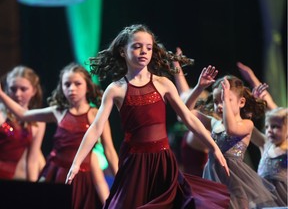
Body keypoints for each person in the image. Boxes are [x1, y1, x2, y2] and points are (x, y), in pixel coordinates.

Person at [66, 24, 231, 209]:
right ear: (123, 51)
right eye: (137, 46)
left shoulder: (163, 84)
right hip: (133, 162)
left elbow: (188, 117)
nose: (144, 51)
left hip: (162, 161)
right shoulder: (115, 89)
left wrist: (213, 147)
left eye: (149, 47)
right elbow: (96, 128)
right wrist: (76, 162)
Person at [0, 63, 119, 209]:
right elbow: (23, 114)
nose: (72, 89)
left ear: (87, 86)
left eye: (77, 84)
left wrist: (121, 179)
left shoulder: (95, 115)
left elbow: (109, 150)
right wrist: (1, 94)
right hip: (55, 172)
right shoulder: (58, 111)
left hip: (81, 176)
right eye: (67, 84)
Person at [186, 73, 278, 208]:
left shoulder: (247, 124)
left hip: (235, 181)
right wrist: (199, 88)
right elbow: (185, 111)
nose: (219, 105)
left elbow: (231, 129)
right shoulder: (214, 123)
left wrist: (226, 100)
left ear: (241, 102)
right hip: (213, 177)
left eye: (225, 100)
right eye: (216, 101)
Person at [171, 47, 213, 177]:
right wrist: (176, 64)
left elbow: (183, 111)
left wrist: (199, 88)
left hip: (201, 186)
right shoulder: (196, 124)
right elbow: (184, 93)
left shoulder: (203, 131)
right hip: (189, 182)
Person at [0, 66, 46, 181]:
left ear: (34, 91)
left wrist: (32, 189)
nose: (17, 94)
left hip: (11, 179)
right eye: (13, 89)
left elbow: (32, 161)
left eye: (23, 89)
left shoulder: (38, 121)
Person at [251, 107, 288, 207]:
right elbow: (249, 128)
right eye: (267, 127)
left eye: (275, 126)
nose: (269, 131)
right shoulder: (265, 145)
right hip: (264, 204)